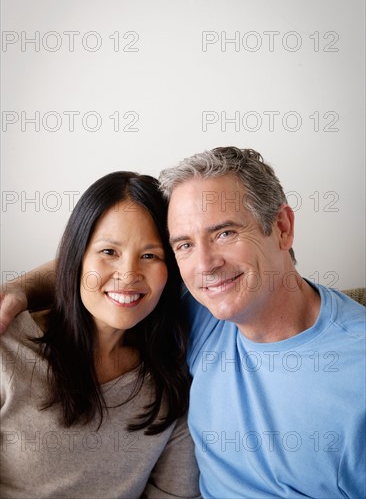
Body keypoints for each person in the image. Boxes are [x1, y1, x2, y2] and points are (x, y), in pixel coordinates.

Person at [1, 147, 365, 498]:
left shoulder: (354, 367)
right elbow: (99, 268)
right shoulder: (204, 308)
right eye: (185, 244)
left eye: (224, 233)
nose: (205, 265)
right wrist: (20, 289)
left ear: (282, 227)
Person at [0, 171, 200, 498]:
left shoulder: (172, 386)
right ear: (76, 257)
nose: (128, 274)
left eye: (150, 255)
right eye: (109, 252)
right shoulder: (7, 349)